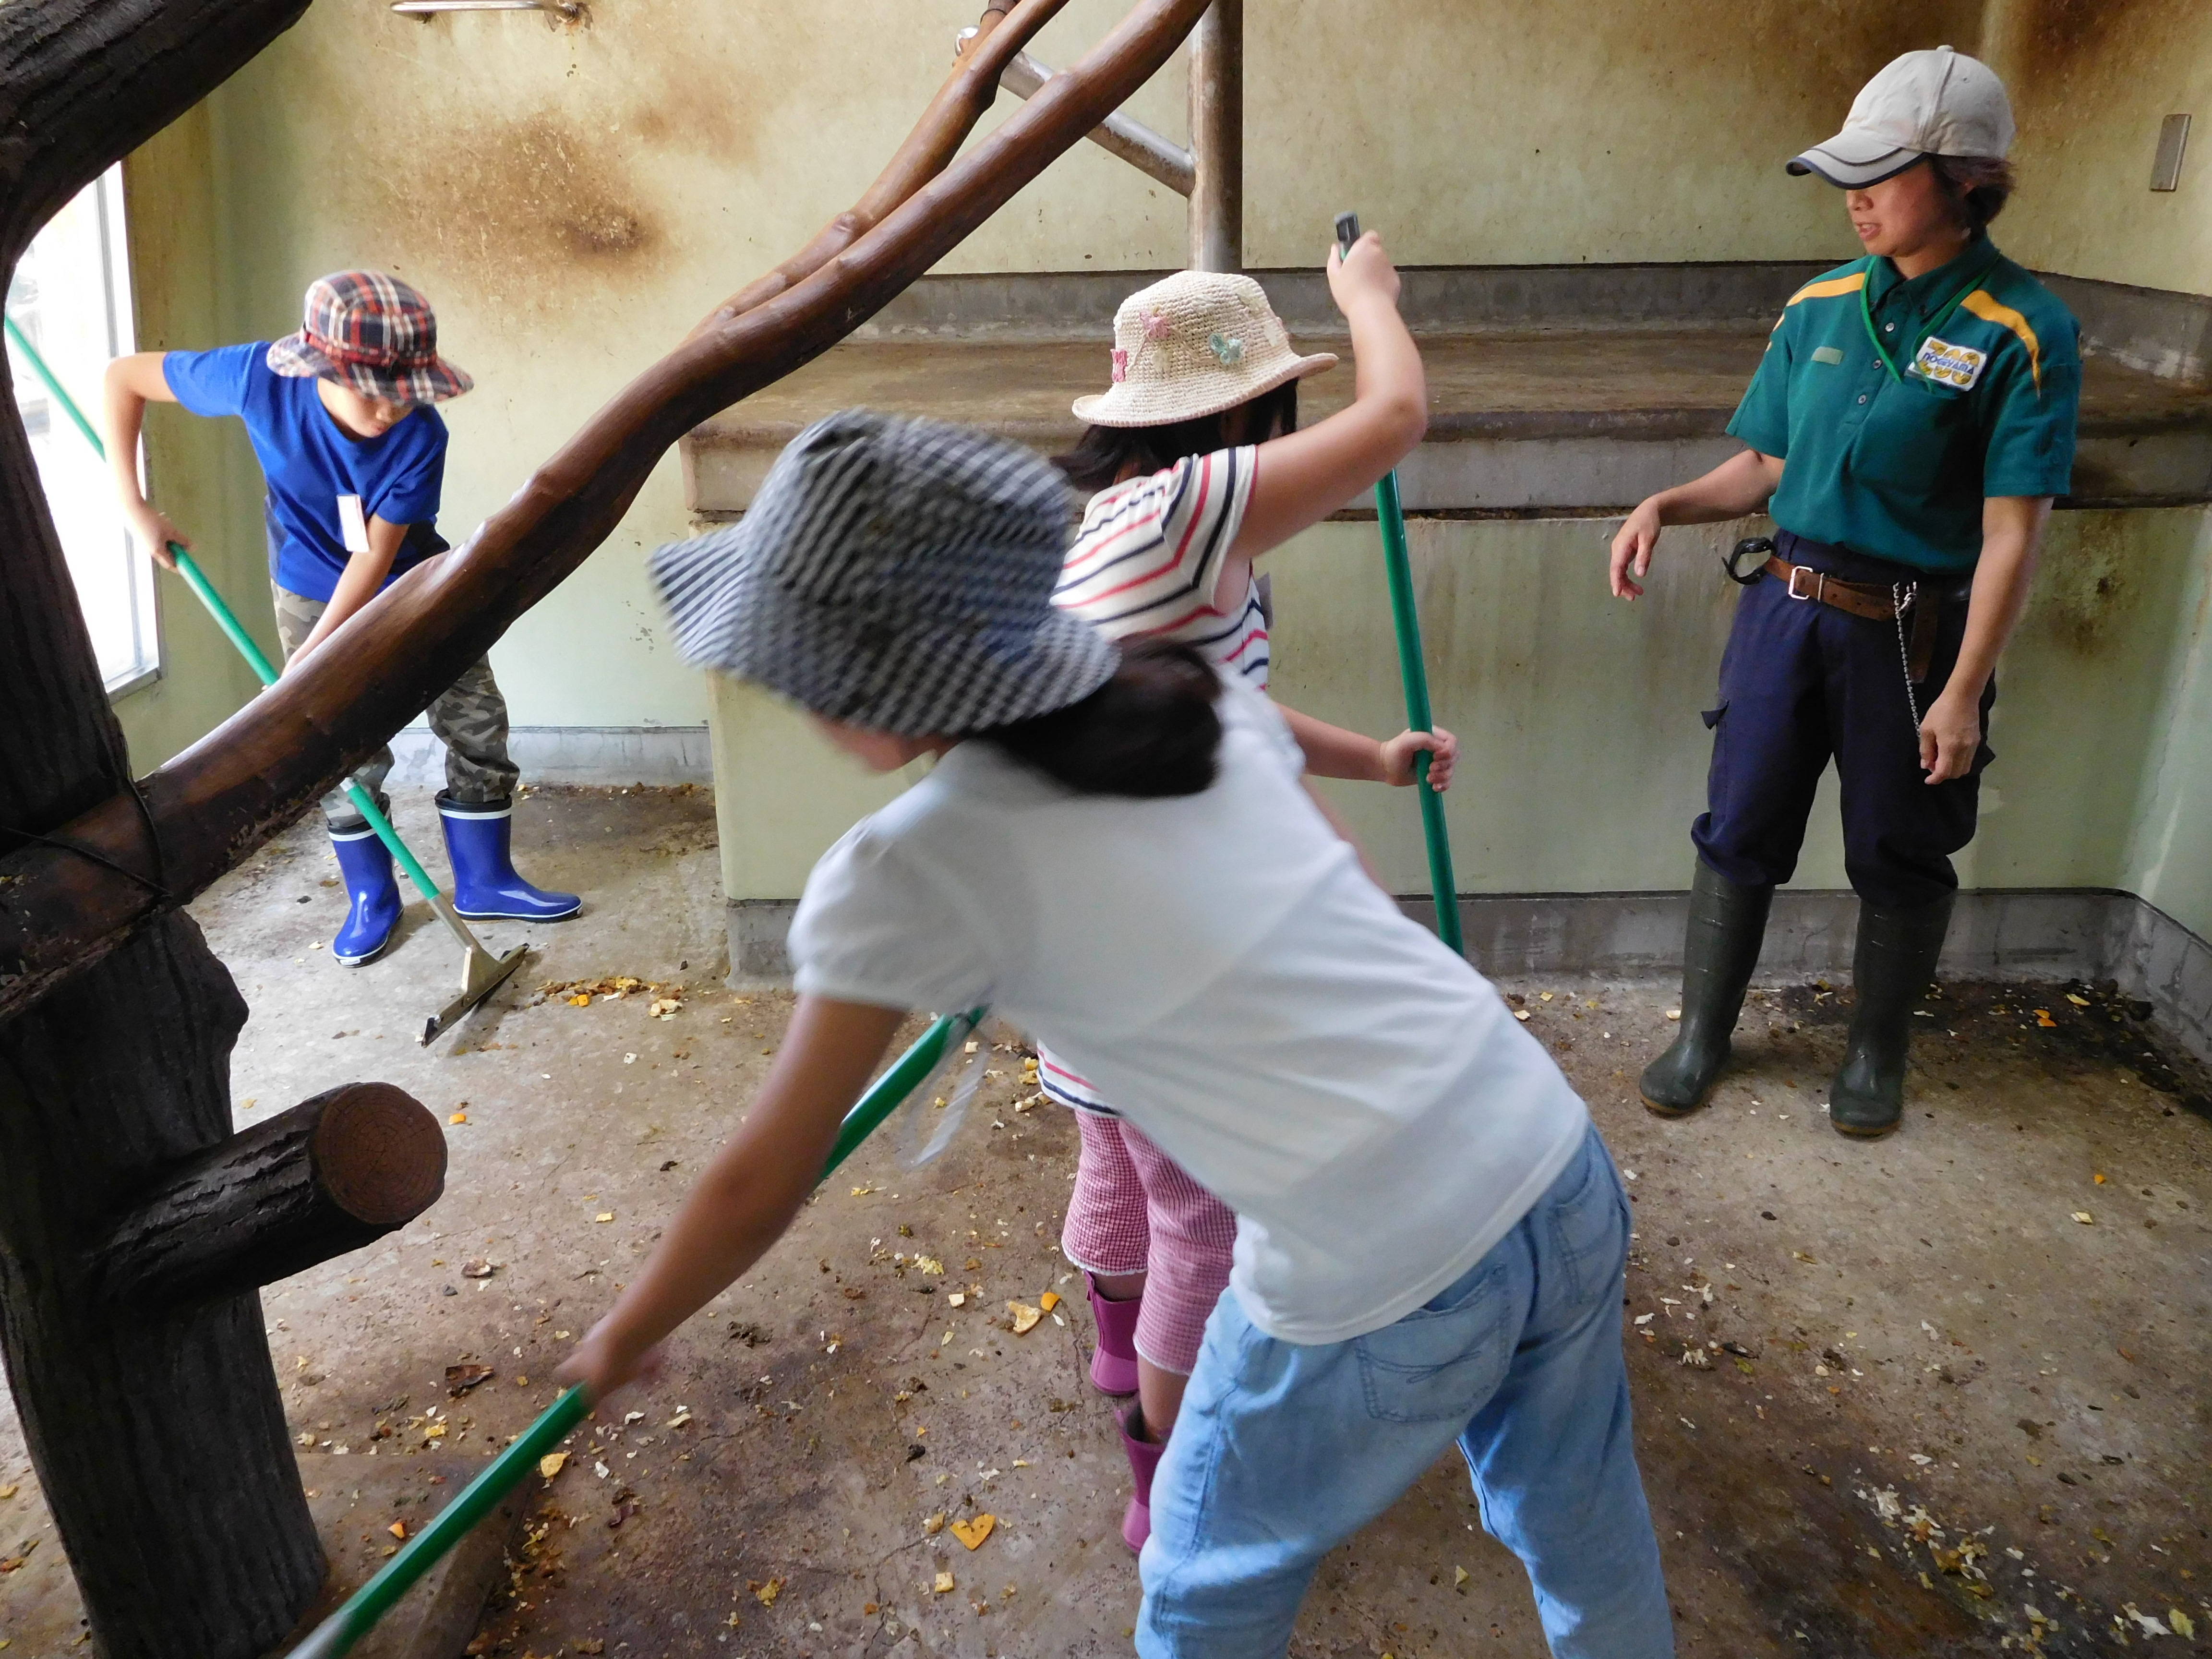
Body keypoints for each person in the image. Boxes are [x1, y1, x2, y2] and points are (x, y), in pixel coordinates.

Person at [563, 409, 1671, 1659]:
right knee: (1583, 1518)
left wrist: (626, 1330)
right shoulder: (1193, 694)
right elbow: (1359, 894)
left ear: (855, 677)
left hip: (1376, 1261)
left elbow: (762, 1176)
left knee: (1202, 1588)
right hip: (1550, 1155)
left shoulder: (908, 869)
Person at [1044, 244, 1459, 1548]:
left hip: (1075, 938)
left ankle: (1116, 1353)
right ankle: (1168, 1485)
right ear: (1244, 417)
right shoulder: (1191, 508)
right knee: (1203, 1222)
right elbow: (1396, 417)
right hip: (1163, 960)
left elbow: (1221, 705)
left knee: (1115, 1154)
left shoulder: (1115, 525)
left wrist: (1371, 759)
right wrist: (1368, 300)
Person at [1608, 47, 2079, 1138]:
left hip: (1914, 633)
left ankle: (1877, 1051)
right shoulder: (1818, 305)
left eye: (1880, 175)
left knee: (1900, 845)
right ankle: (1704, 1034)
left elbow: (2013, 534)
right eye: (1846, 177)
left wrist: (1962, 692)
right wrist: (1666, 504)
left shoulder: (2022, 329)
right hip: (1786, 607)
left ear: (1965, 179)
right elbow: (1767, 467)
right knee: (1739, 823)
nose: (1854, 199)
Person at [103, 270, 579, 965]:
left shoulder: (422, 437)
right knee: (339, 749)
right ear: (319, 367)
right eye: (371, 392)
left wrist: (308, 661)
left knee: (475, 717)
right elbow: (123, 378)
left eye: (404, 393)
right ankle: (372, 898)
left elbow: (373, 556)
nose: (389, 411)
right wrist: (133, 504)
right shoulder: (257, 379)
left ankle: (486, 880)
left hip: (416, 585)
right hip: (306, 592)